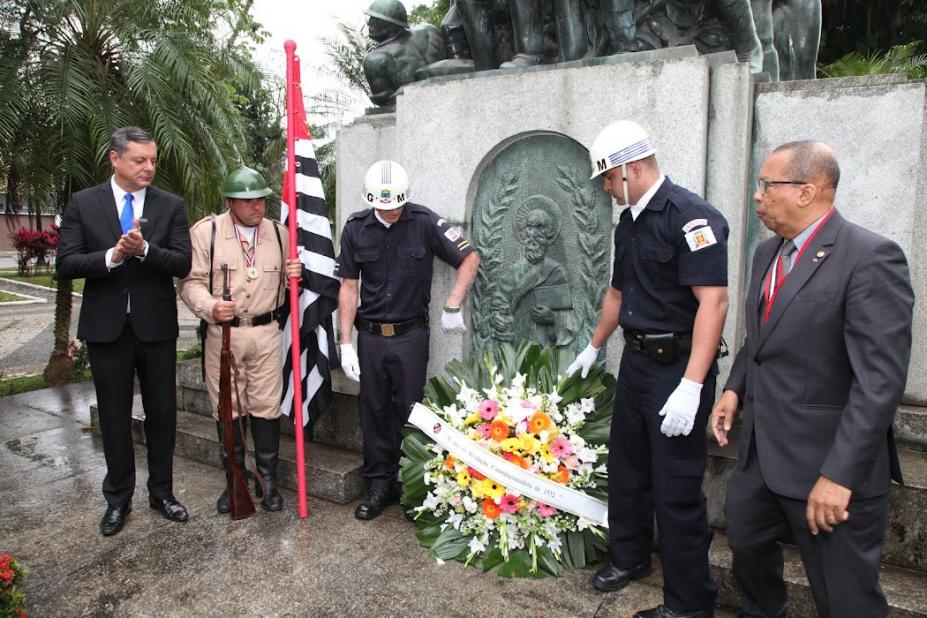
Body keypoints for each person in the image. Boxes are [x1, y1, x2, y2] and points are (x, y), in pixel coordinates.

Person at [711, 141, 913, 617]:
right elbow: (758, 338)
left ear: (808, 191)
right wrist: (734, 388)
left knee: (844, 598)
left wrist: (838, 475)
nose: (758, 197)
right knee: (747, 553)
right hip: (762, 457)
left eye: (767, 185)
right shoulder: (766, 254)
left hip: (827, 464)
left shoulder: (870, 258)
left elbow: (879, 382)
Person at [567, 120, 729, 618]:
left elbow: (714, 303)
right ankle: (631, 557)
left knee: (677, 491)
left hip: (677, 369)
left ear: (633, 169)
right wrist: (593, 348)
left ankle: (688, 604)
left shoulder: (691, 217)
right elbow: (617, 294)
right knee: (628, 471)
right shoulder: (630, 222)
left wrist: (691, 385)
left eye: (609, 180)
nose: (607, 190)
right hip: (636, 365)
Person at [57, 126, 193, 536]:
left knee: (163, 415)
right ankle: (118, 500)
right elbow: (66, 264)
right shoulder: (83, 203)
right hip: (106, 330)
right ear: (115, 159)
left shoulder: (171, 206)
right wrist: (112, 257)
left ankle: (162, 493)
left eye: (152, 160)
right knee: (114, 418)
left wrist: (146, 251)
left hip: (156, 329)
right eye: (140, 160)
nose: (149, 167)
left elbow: (182, 263)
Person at [336, 159, 480, 520]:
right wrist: (345, 342)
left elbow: (470, 258)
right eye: (384, 206)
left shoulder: (424, 221)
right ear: (372, 201)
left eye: (397, 204)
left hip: (410, 337)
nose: (392, 211)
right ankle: (379, 485)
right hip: (370, 337)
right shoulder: (356, 228)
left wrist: (453, 304)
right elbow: (349, 287)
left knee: (411, 411)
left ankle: (413, 485)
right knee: (373, 411)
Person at [178, 167, 302, 513]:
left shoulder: (280, 234)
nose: (257, 206)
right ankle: (235, 481)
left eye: (261, 199)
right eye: (248, 201)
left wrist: (297, 280)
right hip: (224, 335)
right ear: (231, 201)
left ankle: (268, 481)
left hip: (266, 331)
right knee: (228, 408)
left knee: (266, 406)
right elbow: (190, 282)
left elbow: (292, 289)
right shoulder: (208, 233)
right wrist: (211, 306)